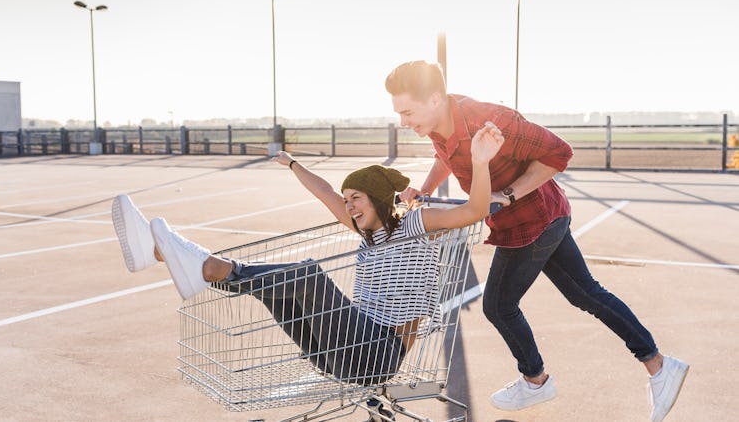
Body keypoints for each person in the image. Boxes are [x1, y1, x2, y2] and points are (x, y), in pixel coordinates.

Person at [385, 60, 688, 422]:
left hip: (534, 222)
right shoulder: (438, 124)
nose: (403, 122)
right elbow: (444, 157)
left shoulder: (491, 121)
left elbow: (559, 153)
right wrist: (424, 189)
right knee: (585, 293)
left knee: (498, 305)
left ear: (434, 99)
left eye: (407, 112)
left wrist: (508, 194)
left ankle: (535, 379)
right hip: (540, 218)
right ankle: (658, 365)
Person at [111, 121, 504, 386]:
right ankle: (168, 256)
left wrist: (481, 162)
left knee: (307, 276)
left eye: (357, 198)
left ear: (380, 199)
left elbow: (474, 211)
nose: (348, 206)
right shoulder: (366, 233)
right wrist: (294, 164)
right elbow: (325, 193)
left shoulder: (414, 225)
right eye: (348, 199)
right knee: (286, 287)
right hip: (339, 350)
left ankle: (210, 267)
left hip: (377, 356)